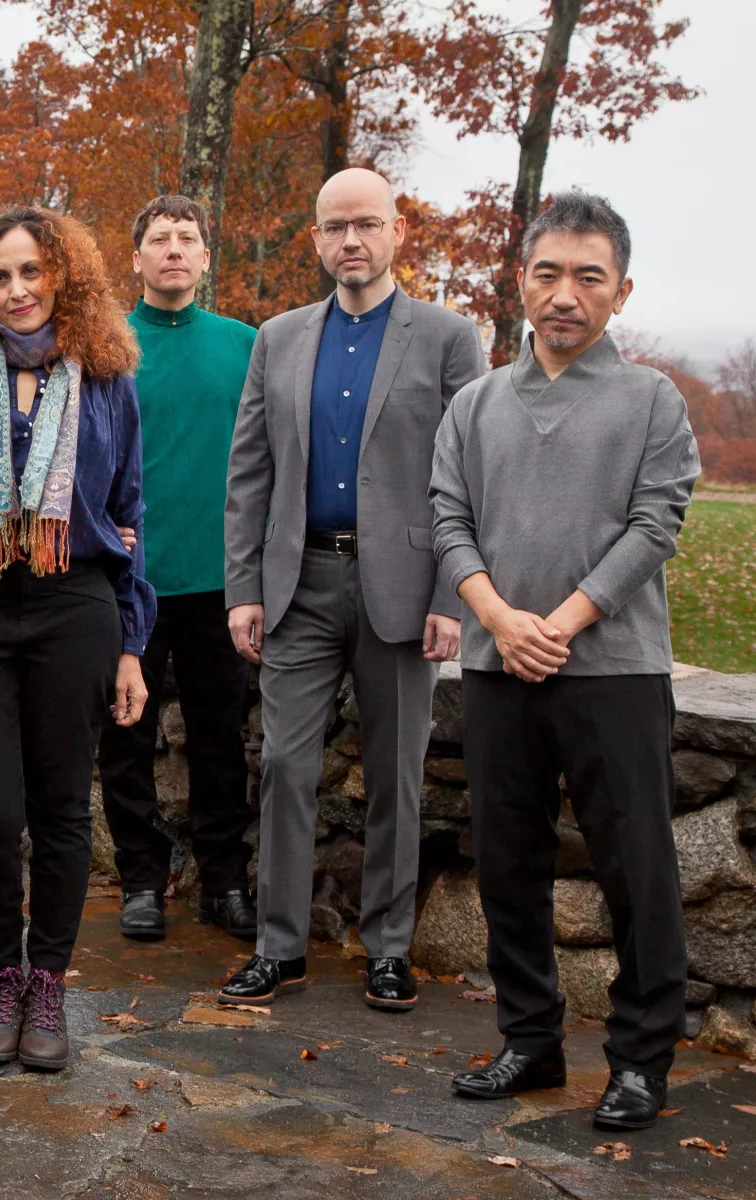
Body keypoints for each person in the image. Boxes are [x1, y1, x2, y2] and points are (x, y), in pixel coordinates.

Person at [436, 193, 698, 1132]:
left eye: (589, 276)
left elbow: (657, 522)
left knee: (637, 868)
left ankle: (640, 1059)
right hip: (498, 666)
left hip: (616, 672)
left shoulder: (651, 400)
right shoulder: (474, 405)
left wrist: (564, 619)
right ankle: (530, 1041)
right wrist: (503, 620)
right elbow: (447, 520)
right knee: (509, 862)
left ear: (620, 291)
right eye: (547, 272)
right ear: (521, 282)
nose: (565, 294)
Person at [220, 167, 486, 1012]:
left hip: (405, 587)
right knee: (287, 768)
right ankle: (280, 948)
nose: (351, 242)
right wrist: (244, 587)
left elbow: (469, 476)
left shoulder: (448, 338)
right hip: (299, 583)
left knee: (395, 775)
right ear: (316, 239)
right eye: (335, 228)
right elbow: (249, 472)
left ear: (397, 231)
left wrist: (453, 597)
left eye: (366, 225)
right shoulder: (280, 338)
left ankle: (389, 951)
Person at [0, 206, 152, 1072]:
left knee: (59, 809)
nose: (16, 291)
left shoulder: (109, 379)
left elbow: (128, 516)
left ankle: (48, 983)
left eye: (31, 272)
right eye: (0, 275)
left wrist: (131, 642)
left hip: (73, 604)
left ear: (63, 276)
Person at [95, 196, 258, 943]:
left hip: (221, 581)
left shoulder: (246, 346)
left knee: (220, 738)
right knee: (124, 738)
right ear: (136, 257)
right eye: (158, 238)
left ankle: (223, 879)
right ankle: (140, 878)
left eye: (187, 238)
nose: (172, 249)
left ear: (204, 256)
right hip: (128, 581)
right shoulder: (103, 345)